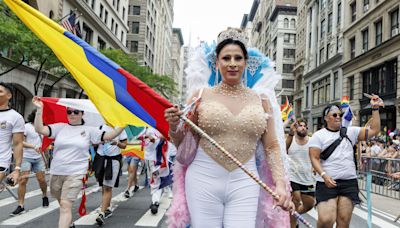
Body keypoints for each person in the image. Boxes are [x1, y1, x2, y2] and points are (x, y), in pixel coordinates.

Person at [165, 28, 293, 227]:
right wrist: (174, 127)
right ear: (217, 63)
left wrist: (281, 185)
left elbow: (272, 146)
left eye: (238, 58)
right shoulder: (200, 96)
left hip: (245, 181)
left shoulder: (262, 100)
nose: (232, 63)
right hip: (203, 178)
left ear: (245, 62)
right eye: (226, 58)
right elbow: (184, 143)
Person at [32, 96, 125, 228]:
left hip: (76, 173)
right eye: (69, 112)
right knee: (62, 202)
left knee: (65, 204)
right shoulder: (59, 127)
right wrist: (39, 110)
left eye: (76, 112)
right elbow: (39, 129)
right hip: (56, 171)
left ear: (82, 114)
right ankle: (69, 223)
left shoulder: (89, 130)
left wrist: (124, 122)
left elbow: (110, 135)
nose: (72, 114)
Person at [309, 96, 382, 228]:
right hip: (327, 183)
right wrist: (324, 175)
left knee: (343, 222)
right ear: (326, 118)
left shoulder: (351, 132)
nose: (338, 117)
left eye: (340, 114)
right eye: (334, 114)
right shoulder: (318, 135)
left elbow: (374, 130)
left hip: (348, 182)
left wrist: (375, 108)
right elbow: (314, 158)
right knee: (326, 220)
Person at [11, 110, 49, 216]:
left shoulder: (44, 128)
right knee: (23, 181)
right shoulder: (27, 127)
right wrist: (33, 146)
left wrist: (45, 151)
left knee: (42, 180)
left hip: (39, 157)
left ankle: (44, 195)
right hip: (26, 157)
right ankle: (20, 205)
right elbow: (20, 142)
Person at [93, 124, 127, 225]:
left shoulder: (120, 128)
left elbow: (124, 145)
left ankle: (102, 213)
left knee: (107, 186)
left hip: (113, 160)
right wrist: (100, 140)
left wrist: (116, 143)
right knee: (103, 186)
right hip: (100, 158)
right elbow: (93, 143)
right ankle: (106, 207)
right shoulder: (100, 127)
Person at [286, 119, 315, 228]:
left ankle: (292, 217)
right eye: (300, 126)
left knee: (310, 204)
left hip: (307, 177)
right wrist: (290, 134)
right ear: (296, 128)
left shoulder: (312, 141)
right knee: (296, 200)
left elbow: (317, 156)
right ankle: (293, 224)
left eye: (304, 126)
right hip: (293, 176)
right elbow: (283, 150)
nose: (302, 127)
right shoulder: (291, 139)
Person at [0, 82, 23, 189]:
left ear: (8, 96)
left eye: (0, 91)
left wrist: (17, 169)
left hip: (1, 161)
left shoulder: (15, 117)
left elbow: (18, 144)